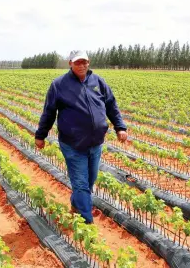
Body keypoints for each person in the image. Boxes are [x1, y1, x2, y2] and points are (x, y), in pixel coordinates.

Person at [34, 50, 127, 224]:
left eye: (84, 62)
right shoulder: (59, 85)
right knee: (81, 184)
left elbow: (111, 105)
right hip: (73, 144)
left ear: (88, 62)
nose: (81, 65)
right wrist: (41, 135)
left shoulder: (98, 81)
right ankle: (86, 223)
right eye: (77, 62)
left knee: (89, 181)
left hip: (95, 143)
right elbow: (49, 112)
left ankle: (77, 205)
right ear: (70, 63)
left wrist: (120, 127)